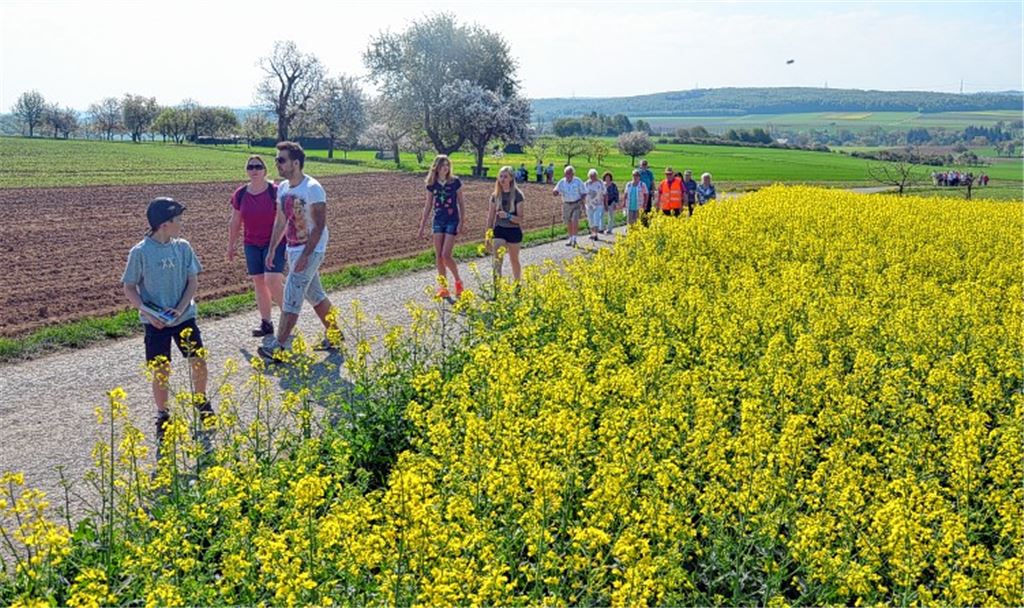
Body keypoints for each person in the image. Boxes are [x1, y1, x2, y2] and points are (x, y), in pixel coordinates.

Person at [122, 197, 212, 458]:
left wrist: (182, 308)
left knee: (198, 362)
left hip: (184, 319)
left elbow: (192, 281)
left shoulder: (183, 247)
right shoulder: (139, 253)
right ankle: (163, 415)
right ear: (164, 224)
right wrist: (148, 313)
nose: (181, 225)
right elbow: (129, 287)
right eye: (177, 221)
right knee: (161, 371)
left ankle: (201, 400)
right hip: (156, 323)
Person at [257, 141, 340, 361]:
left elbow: (319, 226)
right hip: (293, 248)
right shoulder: (283, 188)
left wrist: (306, 256)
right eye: (276, 160)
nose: (278, 164)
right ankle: (335, 335)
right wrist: (273, 248)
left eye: (281, 160)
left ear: (296, 162)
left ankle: (279, 345)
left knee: (293, 292)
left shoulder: (313, 188)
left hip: (311, 248)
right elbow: (281, 221)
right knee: (315, 295)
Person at [226, 155, 285, 338]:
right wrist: (231, 245)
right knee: (259, 282)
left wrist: (275, 245)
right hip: (251, 243)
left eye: (258, 167)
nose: (254, 170)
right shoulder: (241, 194)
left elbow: (284, 220)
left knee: (272, 279)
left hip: (274, 242)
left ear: (265, 170)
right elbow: (235, 221)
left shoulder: (275, 191)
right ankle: (266, 323)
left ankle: (289, 316)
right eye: (250, 167)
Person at [419, 154, 465, 298]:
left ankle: (458, 282)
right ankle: (443, 288)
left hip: (452, 220)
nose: (446, 168)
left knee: (446, 255)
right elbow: (428, 206)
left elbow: (461, 203)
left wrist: (462, 222)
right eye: (443, 165)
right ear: (437, 167)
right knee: (439, 256)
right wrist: (422, 225)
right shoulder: (431, 184)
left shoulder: (455, 182)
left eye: (447, 165)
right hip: (438, 220)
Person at [486, 166, 525, 282]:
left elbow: (520, 219)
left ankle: (517, 284)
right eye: (501, 176)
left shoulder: (518, 195)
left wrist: (508, 216)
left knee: (514, 260)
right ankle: (497, 287)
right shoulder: (495, 196)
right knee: (497, 259)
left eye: (505, 177)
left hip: (513, 230)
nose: (502, 179)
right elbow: (490, 217)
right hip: (499, 229)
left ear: (511, 179)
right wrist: (488, 235)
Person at [552, 165, 587, 247]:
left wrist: (581, 199)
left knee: (575, 220)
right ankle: (570, 238)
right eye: (566, 174)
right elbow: (556, 190)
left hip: (576, 203)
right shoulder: (562, 182)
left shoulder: (578, 181)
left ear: (573, 174)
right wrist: (555, 192)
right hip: (566, 203)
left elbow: (584, 192)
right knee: (568, 221)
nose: (567, 175)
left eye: (569, 173)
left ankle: (574, 239)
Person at [637, 159, 655, 224]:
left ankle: (647, 222)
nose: (644, 166)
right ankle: (640, 221)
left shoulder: (649, 173)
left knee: (648, 208)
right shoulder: (638, 173)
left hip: (648, 193)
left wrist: (653, 192)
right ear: (640, 165)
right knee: (640, 208)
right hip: (640, 194)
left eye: (645, 164)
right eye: (643, 164)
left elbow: (652, 183)